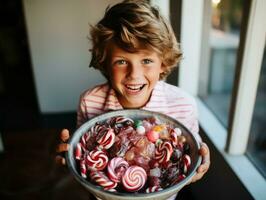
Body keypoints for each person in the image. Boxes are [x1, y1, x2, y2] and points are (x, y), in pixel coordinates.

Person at [56, 0, 210, 199]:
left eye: (146, 60)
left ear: (163, 63)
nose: (134, 75)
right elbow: (85, 150)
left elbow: (191, 147)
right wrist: (70, 154)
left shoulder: (183, 105)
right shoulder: (90, 101)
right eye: (121, 61)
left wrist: (201, 159)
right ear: (105, 61)